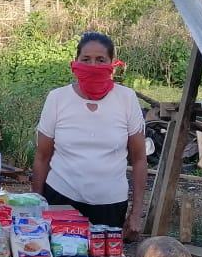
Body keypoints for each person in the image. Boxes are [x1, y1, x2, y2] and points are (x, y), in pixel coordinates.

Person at [31, 32, 147, 240]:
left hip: (110, 206)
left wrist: (136, 213)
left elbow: (139, 159)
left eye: (100, 60)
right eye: (86, 59)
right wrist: (37, 206)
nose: (93, 65)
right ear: (75, 62)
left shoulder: (126, 99)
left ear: (112, 64)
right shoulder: (57, 98)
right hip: (61, 199)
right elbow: (42, 156)